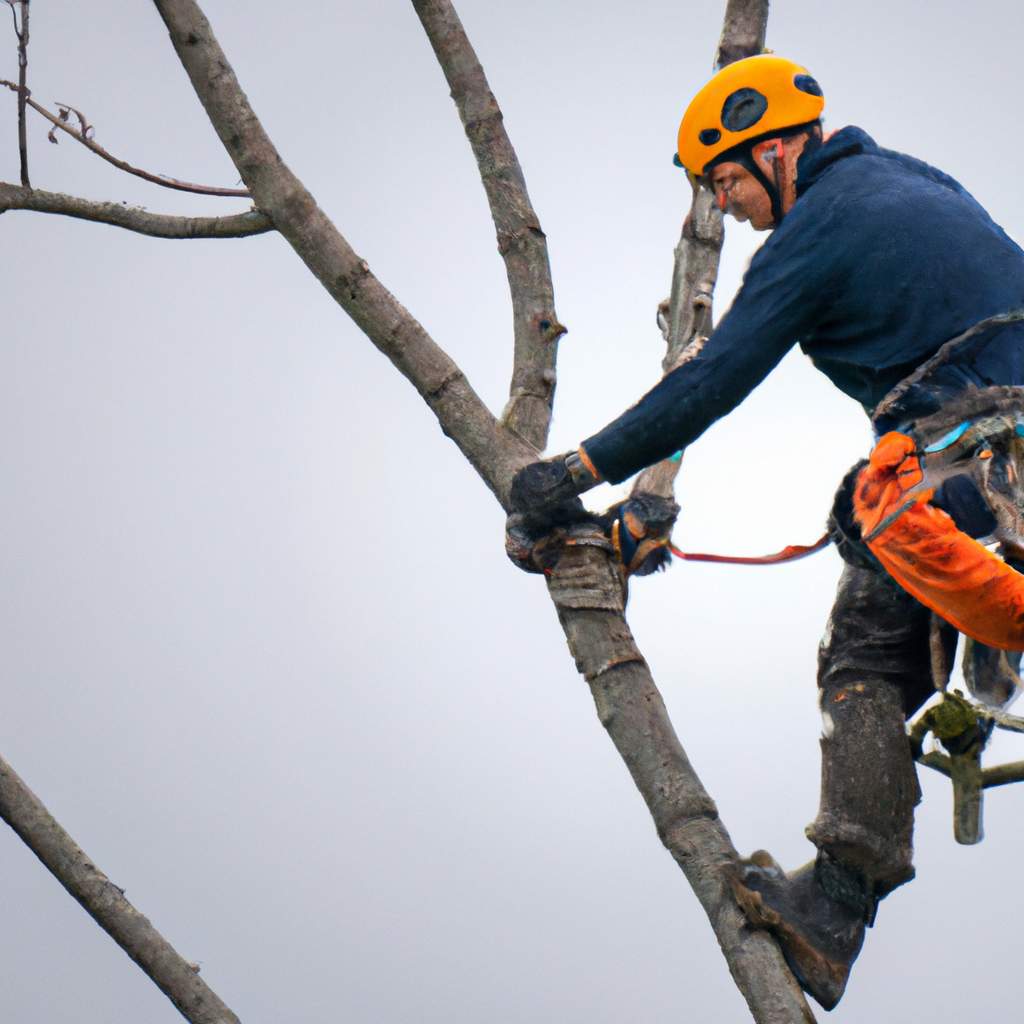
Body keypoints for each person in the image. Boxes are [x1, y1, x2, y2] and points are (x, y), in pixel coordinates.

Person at [508, 54, 1024, 1009]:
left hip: (988, 448)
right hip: (995, 451)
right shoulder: (913, 180)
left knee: (864, 647)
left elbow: (712, 384)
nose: (732, 206)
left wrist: (571, 472)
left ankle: (833, 912)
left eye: (731, 181)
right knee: (874, 518)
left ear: (778, 147)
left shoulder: (816, 231)